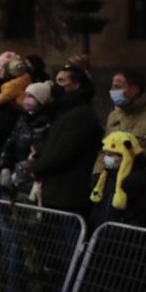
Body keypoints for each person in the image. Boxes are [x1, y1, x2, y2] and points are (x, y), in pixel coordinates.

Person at [29, 66, 102, 219]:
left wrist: (36, 166)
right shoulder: (64, 111)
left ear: (76, 85)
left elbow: (63, 152)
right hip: (58, 191)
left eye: (61, 81)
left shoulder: (80, 114)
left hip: (69, 193)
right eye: (56, 80)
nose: (56, 85)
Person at [92, 69, 146, 186]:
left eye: (117, 87)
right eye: (112, 87)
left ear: (134, 90)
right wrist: (97, 174)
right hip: (110, 183)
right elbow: (105, 149)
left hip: (141, 188)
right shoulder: (114, 116)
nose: (112, 92)